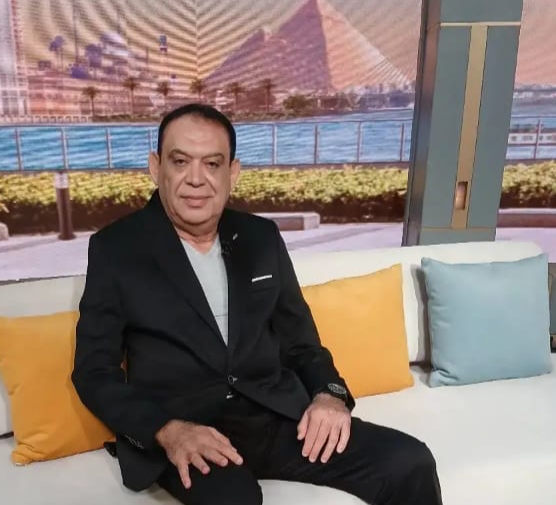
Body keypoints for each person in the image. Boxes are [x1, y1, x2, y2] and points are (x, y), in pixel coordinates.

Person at [72, 103, 442, 505]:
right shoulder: (116, 249)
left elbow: (302, 344)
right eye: (180, 161)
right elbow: (95, 372)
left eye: (212, 164)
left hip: (275, 416)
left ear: (232, 173)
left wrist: (329, 394)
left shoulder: (261, 237)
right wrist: (167, 430)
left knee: (409, 462)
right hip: (187, 429)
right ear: (155, 167)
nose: (196, 179)